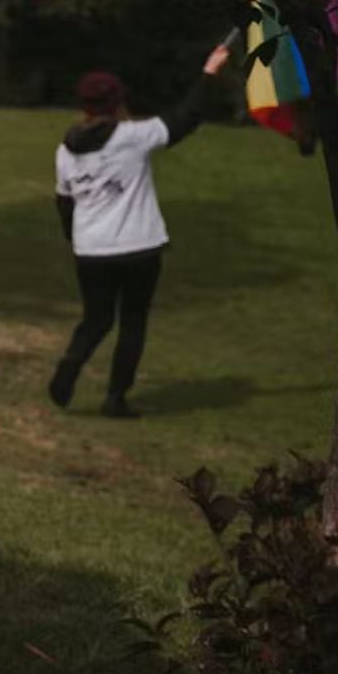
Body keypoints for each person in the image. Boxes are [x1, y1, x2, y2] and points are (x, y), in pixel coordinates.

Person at [49, 45, 231, 418]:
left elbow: (64, 202)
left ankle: (70, 366)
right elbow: (186, 117)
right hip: (138, 248)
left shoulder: (66, 151)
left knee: (96, 319)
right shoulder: (134, 136)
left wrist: (76, 239)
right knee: (132, 322)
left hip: (91, 250)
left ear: (83, 105)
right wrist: (210, 72)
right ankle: (115, 398)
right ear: (118, 102)